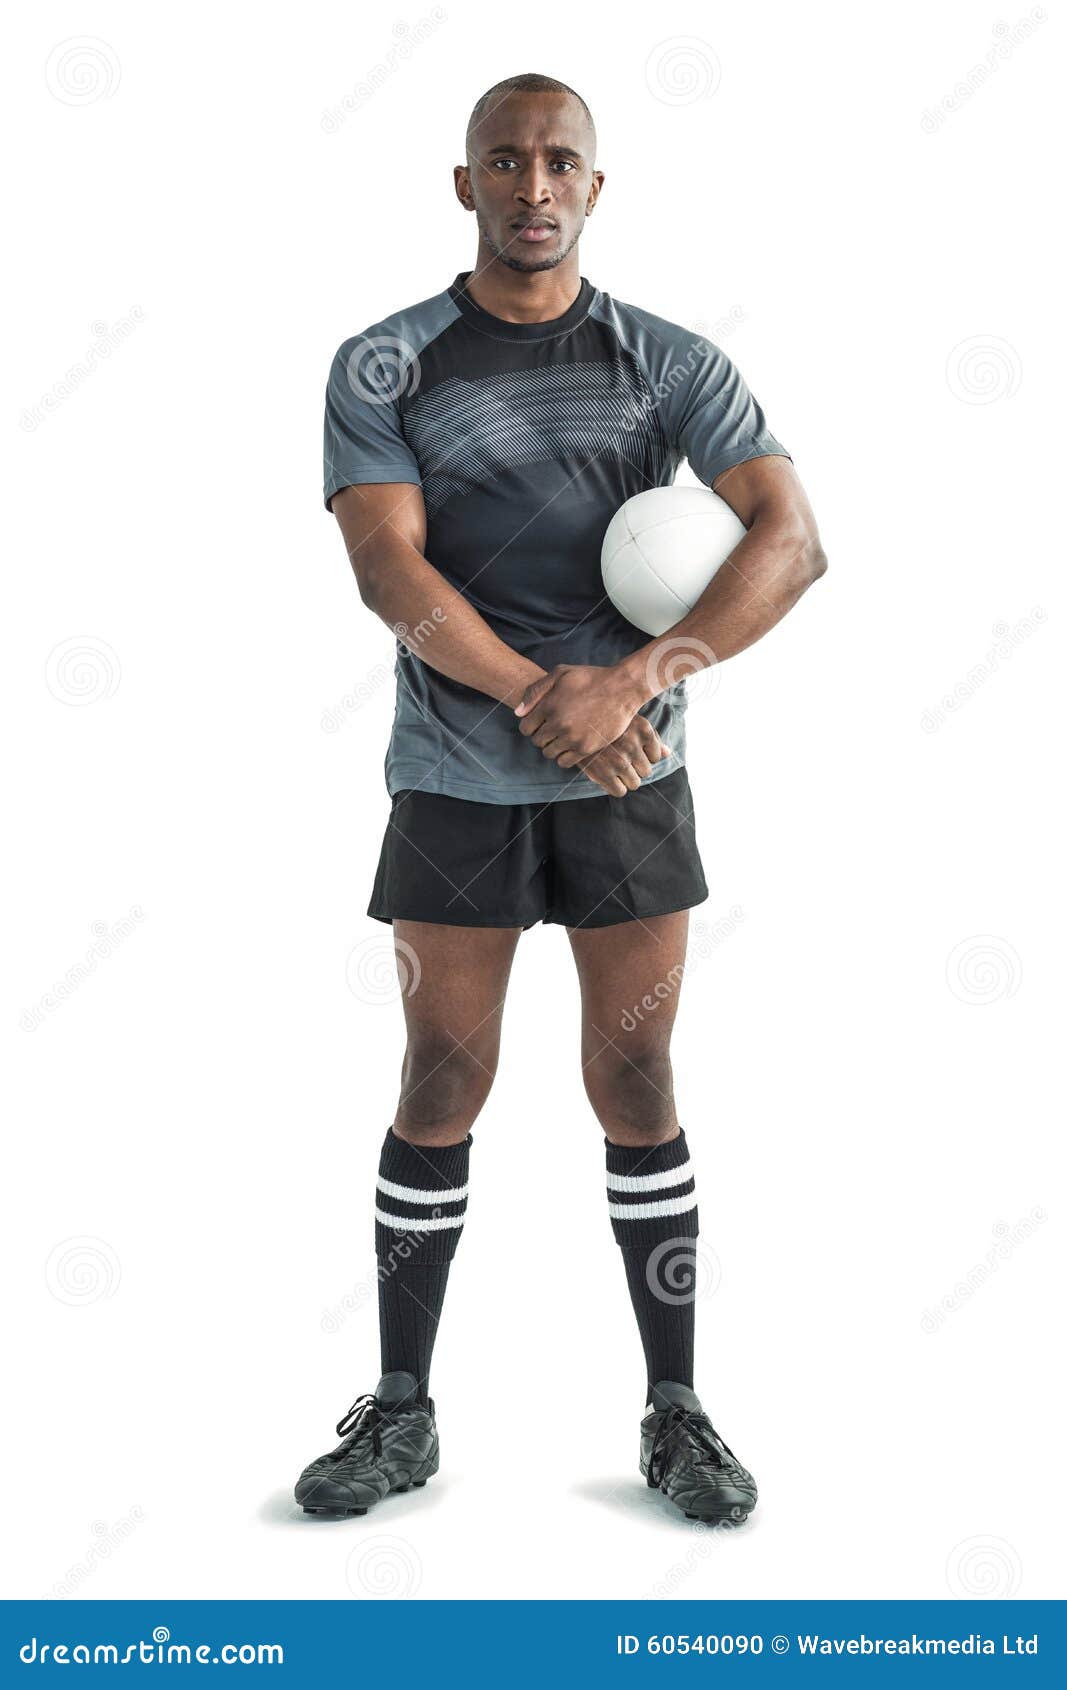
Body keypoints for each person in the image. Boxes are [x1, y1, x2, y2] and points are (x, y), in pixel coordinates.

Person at [295, 72, 826, 1525]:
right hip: (456, 779)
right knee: (440, 1080)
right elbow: (390, 573)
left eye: (562, 162)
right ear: (463, 184)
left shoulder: (667, 361)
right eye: (506, 161)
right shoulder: (386, 364)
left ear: (598, 189)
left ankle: (677, 1409)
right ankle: (401, 1413)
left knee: (640, 1082)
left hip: (631, 782)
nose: (535, 185)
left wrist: (643, 674)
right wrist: (559, 696)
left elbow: (793, 540)